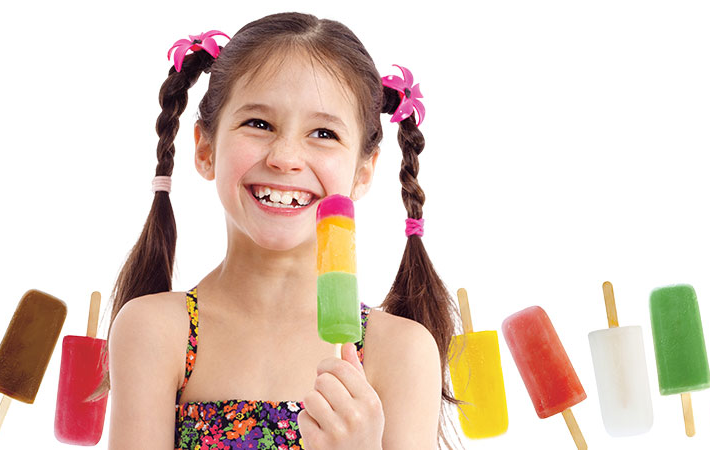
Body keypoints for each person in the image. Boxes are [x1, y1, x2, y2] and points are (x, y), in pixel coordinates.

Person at [104, 12, 457, 449]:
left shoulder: (400, 352)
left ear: (364, 172)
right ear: (205, 148)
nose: (285, 157)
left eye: (323, 132)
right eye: (259, 124)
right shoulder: (156, 332)